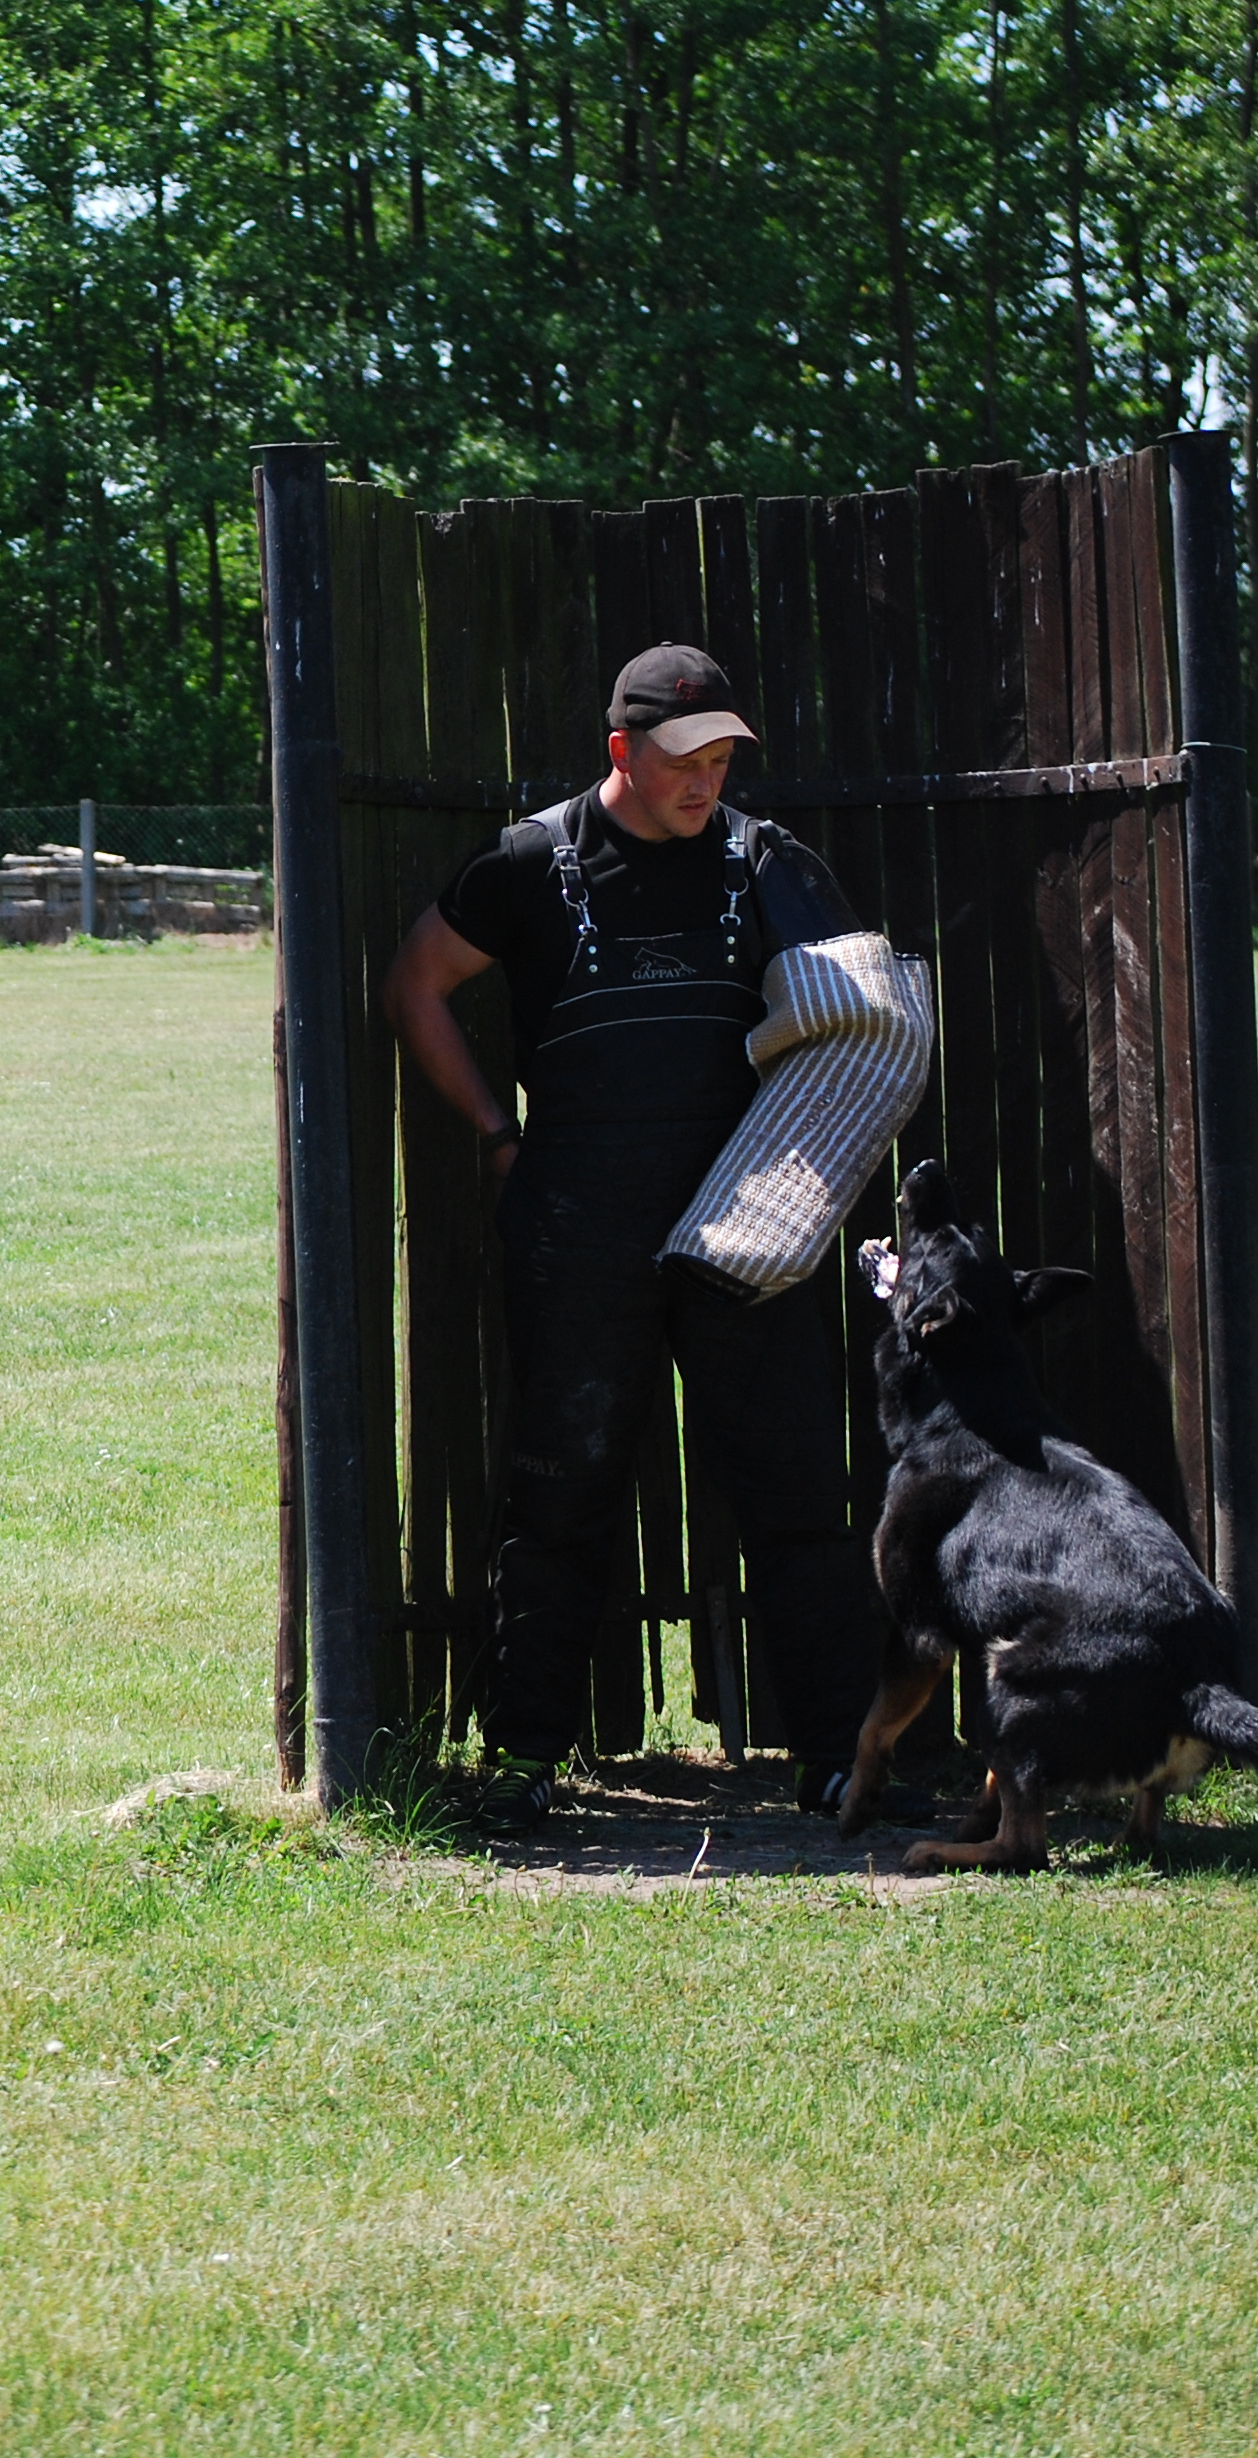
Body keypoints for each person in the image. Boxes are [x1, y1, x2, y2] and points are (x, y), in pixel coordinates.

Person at [382, 643, 895, 1835]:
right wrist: (495, 1137)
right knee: (559, 1494)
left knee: (794, 1494)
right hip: (576, 1227)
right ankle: (524, 1760)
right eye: (681, 761)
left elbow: (868, 1017)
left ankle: (839, 1762)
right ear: (621, 751)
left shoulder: (765, 863)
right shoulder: (527, 862)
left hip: (746, 1230)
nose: (704, 781)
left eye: (719, 759)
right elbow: (411, 984)